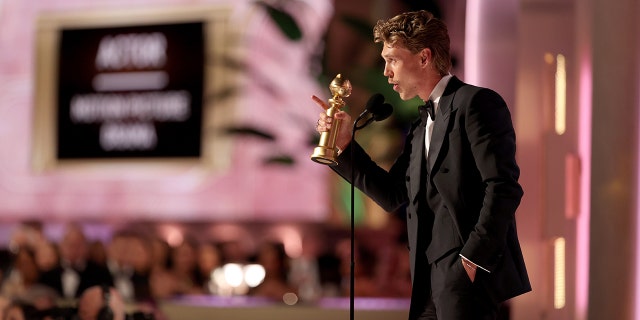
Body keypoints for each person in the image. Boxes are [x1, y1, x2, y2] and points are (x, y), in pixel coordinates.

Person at [314, 10, 531, 320]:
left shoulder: (476, 104)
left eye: (393, 60)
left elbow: (503, 188)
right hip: (427, 283)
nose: (386, 71)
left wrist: (470, 262)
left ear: (424, 57)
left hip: (464, 279)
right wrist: (344, 145)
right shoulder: (420, 124)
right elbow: (391, 194)